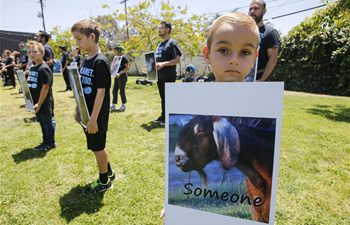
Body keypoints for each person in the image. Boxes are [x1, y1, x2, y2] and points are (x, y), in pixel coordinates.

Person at [160, 11, 260, 219]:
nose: (234, 60)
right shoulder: (190, 100)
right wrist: (173, 203)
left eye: (245, 52)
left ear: (255, 58)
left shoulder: (262, 108)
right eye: (223, 50)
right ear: (207, 54)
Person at [71, 19, 115, 194]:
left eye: (78, 39)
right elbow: (81, 90)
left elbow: (101, 93)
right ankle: (109, 172)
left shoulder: (100, 62)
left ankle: (104, 181)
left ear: (91, 36)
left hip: (96, 116)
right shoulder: (85, 60)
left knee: (97, 147)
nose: (77, 43)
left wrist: (93, 119)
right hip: (87, 114)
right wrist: (78, 110)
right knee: (98, 146)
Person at [26, 41, 56, 151]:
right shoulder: (33, 68)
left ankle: (50, 143)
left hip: (44, 101)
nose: (32, 54)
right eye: (30, 52)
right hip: (35, 100)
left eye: (35, 52)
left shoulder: (43, 68)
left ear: (42, 53)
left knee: (47, 121)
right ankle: (45, 141)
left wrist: (39, 103)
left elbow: (45, 87)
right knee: (42, 122)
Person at [154, 21, 182, 124]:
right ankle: (163, 116)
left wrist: (163, 64)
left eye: (161, 27)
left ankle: (169, 118)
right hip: (160, 76)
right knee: (163, 97)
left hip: (168, 75)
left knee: (168, 98)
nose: (159, 29)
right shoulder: (160, 44)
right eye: (159, 27)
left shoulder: (172, 43)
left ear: (168, 29)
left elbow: (177, 60)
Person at [248, 0, 280, 81]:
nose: (252, 11)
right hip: (241, 79)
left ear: (264, 11)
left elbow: (273, 59)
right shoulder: (244, 31)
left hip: (258, 79)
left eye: (256, 8)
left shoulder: (270, 32)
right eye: (250, 9)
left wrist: (262, 79)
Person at [35, 30, 55, 117]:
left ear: (43, 38)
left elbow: (50, 61)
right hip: (45, 75)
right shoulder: (44, 47)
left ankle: (49, 113)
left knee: (47, 94)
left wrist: (39, 67)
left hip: (46, 75)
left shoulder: (46, 48)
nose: (36, 38)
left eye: (38, 37)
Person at [110, 45, 129, 112]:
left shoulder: (124, 58)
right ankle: (113, 105)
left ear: (119, 50)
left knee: (121, 91)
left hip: (122, 77)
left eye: (115, 50)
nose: (114, 51)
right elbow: (114, 67)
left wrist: (120, 73)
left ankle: (123, 105)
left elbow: (127, 68)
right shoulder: (116, 58)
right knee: (114, 90)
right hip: (116, 77)